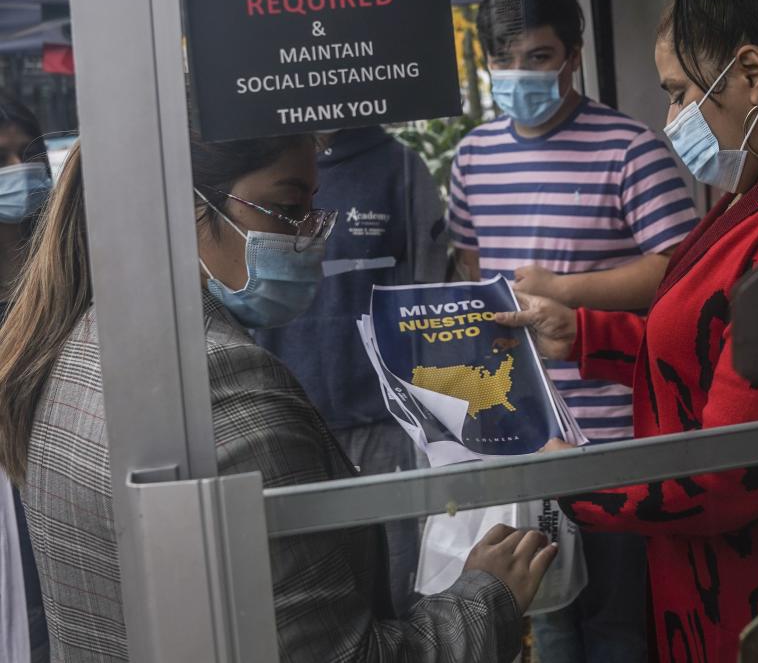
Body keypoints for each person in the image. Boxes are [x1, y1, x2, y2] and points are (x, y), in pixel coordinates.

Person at [0, 130, 556, 662]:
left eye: (314, 208)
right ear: (182, 205)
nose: (312, 233)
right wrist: (489, 594)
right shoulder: (225, 386)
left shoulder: (82, 341)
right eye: (288, 209)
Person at [496, 0, 758, 663]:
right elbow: (705, 342)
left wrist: (569, 479)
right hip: (702, 589)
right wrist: (583, 333)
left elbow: (729, 470)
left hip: (757, 603)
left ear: (754, 75)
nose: (670, 119)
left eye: (678, 92)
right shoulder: (750, 199)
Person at [448, 0, 701, 661]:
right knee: (550, 618)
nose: (518, 73)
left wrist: (565, 287)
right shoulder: (472, 158)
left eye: (537, 55)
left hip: (617, 433)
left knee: (619, 625)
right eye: (503, 58)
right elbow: (471, 264)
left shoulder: (631, 148)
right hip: (527, 432)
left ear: (574, 55)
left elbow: (677, 268)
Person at [253, 125, 448, 616]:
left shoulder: (397, 167)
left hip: (381, 423)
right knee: (307, 588)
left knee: (392, 583)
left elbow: (428, 300)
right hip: (284, 420)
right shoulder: (264, 167)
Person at [0, 92, 51, 663]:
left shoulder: (61, 260)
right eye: (2, 159)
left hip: (52, 480)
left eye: (28, 154)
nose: (21, 172)